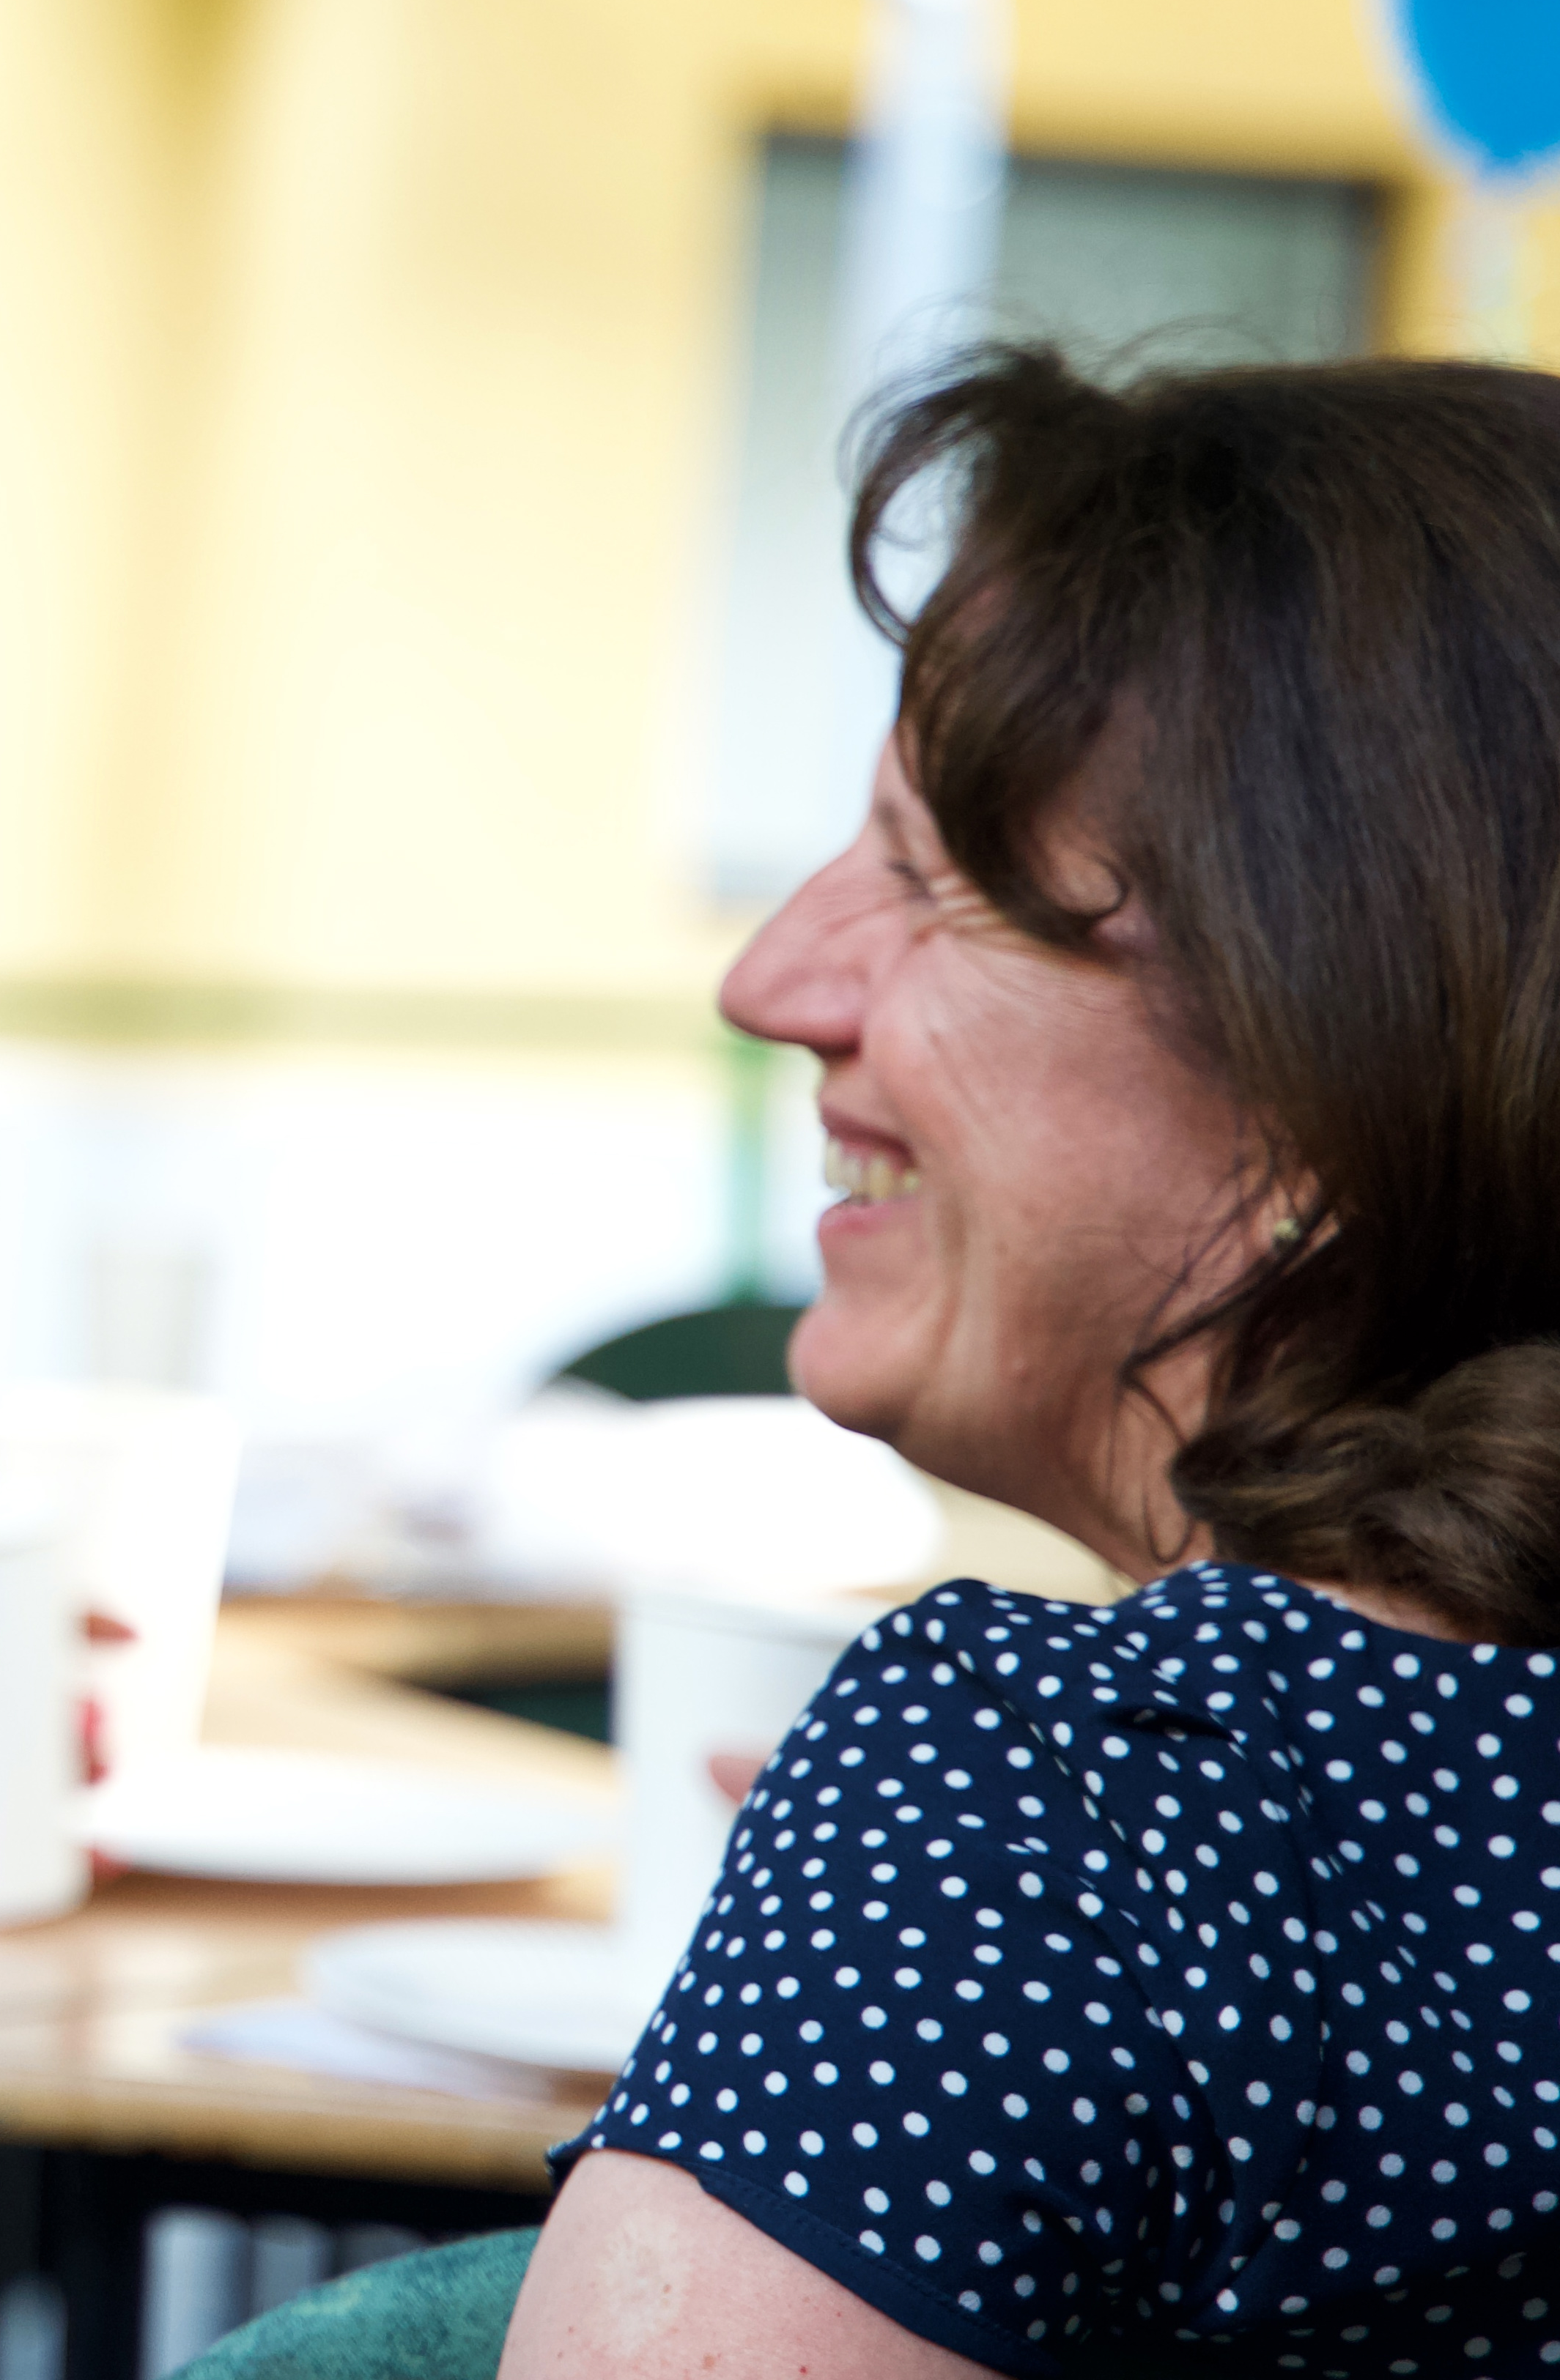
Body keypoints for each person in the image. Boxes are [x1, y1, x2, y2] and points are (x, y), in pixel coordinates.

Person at [485, 349, 1560, 2376]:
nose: (771, 981)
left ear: (1325, 1078)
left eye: (937, 878)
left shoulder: (1060, 1794)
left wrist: (961, 1880)